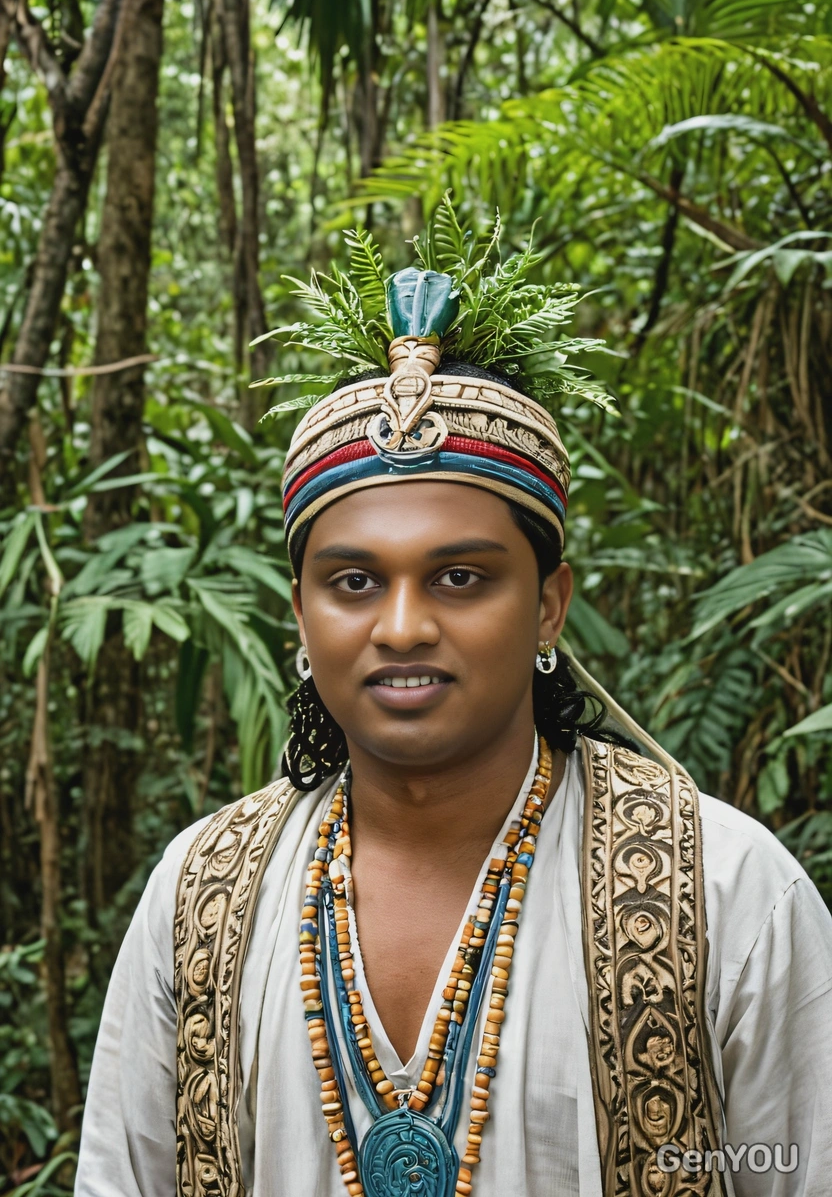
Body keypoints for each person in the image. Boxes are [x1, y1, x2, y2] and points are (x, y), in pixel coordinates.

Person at [76, 212, 832, 1197]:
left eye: (461, 578)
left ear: (549, 603)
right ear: (301, 613)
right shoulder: (201, 896)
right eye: (354, 582)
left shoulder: (726, 895)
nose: (401, 627)